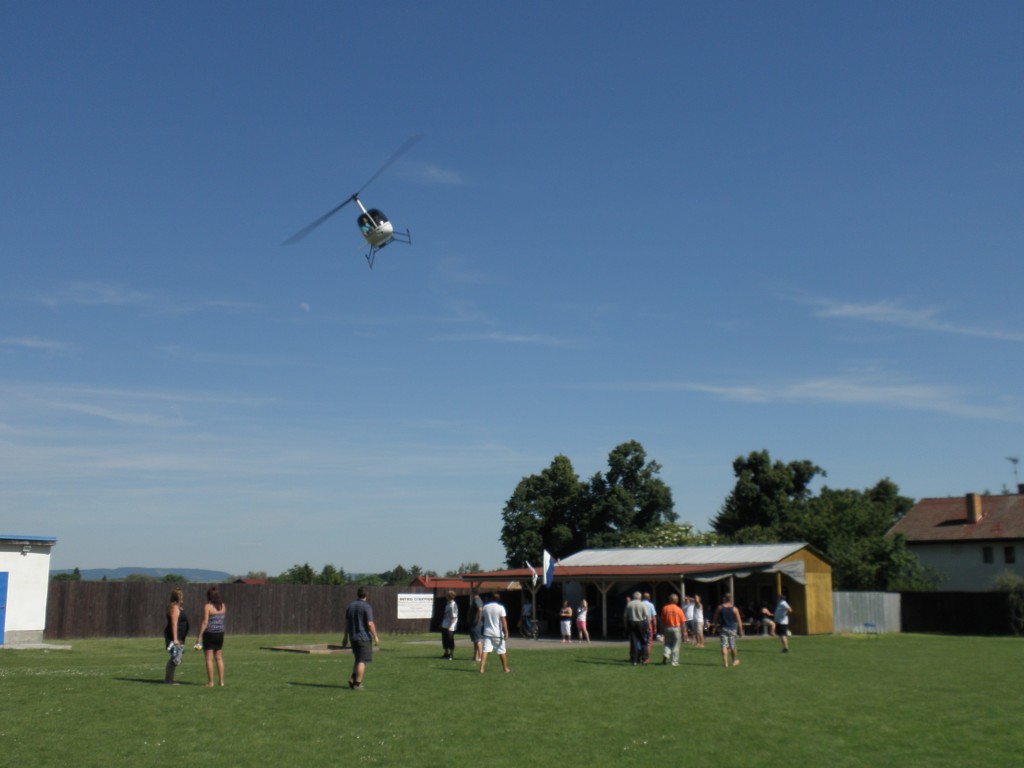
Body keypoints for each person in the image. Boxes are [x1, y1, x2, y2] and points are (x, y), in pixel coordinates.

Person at [345, 586, 380, 690]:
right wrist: (375, 636)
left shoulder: (351, 606)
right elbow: (370, 623)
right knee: (362, 660)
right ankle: (357, 684)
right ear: (366, 595)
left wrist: (345, 637)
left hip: (353, 637)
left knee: (357, 659)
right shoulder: (366, 607)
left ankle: (353, 678)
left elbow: (347, 623)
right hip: (363, 637)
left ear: (357, 594)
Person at [196, 586, 227, 687]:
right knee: (219, 657)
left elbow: (205, 622)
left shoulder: (208, 606)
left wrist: (199, 636)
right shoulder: (223, 606)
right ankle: (221, 681)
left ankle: (211, 682)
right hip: (220, 633)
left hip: (210, 633)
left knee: (209, 658)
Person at [479, 593, 510, 674]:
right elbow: (503, 621)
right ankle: (505, 668)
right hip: (497, 633)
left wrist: (486, 624)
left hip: (487, 632)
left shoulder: (485, 607)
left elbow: (482, 619)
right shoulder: (500, 608)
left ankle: (481, 669)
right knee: (502, 651)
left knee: (485, 650)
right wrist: (506, 632)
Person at [163, 588, 189, 684]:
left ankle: (169, 679)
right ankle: (168, 680)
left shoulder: (178, 607)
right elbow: (174, 624)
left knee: (176, 658)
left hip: (180, 637)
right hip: (175, 638)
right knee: (175, 659)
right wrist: (175, 639)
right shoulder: (174, 608)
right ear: (178, 597)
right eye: (181, 597)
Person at [713, 593, 743, 668]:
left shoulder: (720, 607)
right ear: (730, 599)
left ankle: (725, 663)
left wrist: (715, 626)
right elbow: (739, 621)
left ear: (724, 598)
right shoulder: (734, 609)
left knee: (724, 645)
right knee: (733, 646)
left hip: (723, 628)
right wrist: (740, 631)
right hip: (732, 629)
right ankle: (733, 661)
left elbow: (715, 618)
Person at [624, 591, 650, 665]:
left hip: (632, 622)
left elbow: (625, 616)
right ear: (640, 597)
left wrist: (625, 625)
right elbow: (647, 616)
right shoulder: (642, 604)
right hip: (640, 622)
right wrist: (648, 626)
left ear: (633, 597)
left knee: (633, 641)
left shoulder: (629, 604)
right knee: (643, 641)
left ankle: (634, 659)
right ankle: (644, 658)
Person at [660, 594, 685, 666]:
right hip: (676, 628)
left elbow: (662, 620)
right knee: (676, 644)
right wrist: (684, 631)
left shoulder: (665, 608)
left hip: (667, 627)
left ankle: (666, 654)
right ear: (677, 601)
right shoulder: (679, 609)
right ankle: (674, 661)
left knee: (667, 643)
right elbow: (683, 622)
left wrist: (661, 629)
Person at [440, 590, 458, 660]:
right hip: (445, 623)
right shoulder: (447, 603)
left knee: (450, 639)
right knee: (444, 639)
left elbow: (453, 617)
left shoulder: (453, 605)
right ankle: (446, 653)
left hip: (450, 626)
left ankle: (451, 654)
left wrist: (450, 626)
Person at [469, 588, 484, 662]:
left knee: (478, 640)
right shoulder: (475, 600)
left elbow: (480, 609)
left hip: (476, 624)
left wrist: (478, 619)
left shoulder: (477, 600)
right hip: (473, 623)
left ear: (473, 592)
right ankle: (475, 656)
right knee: (475, 640)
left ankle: (480, 657)